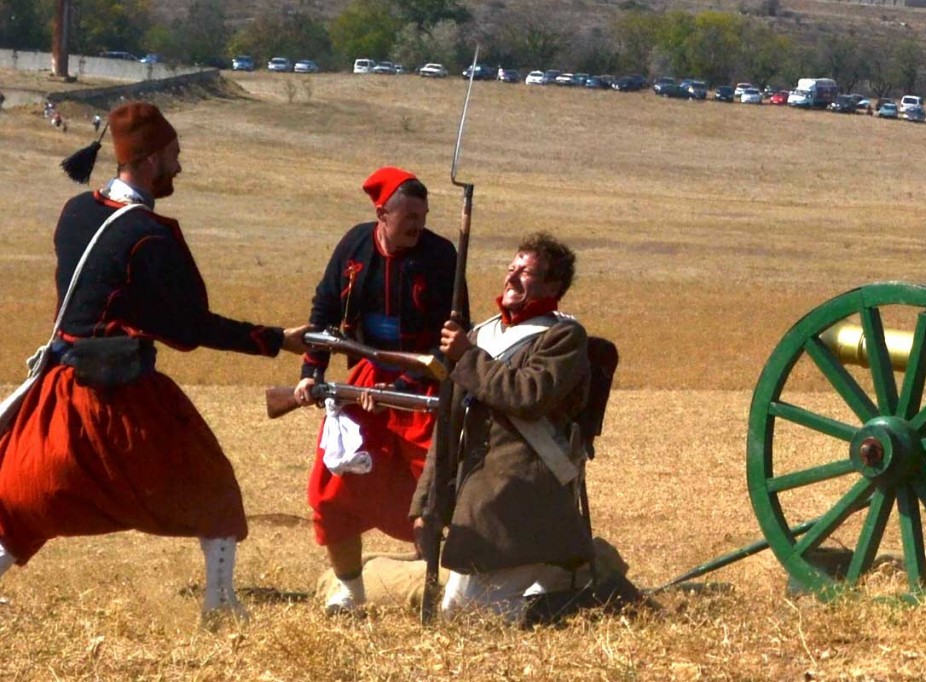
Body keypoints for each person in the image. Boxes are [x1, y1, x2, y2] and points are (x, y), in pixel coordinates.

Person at [0, 101, 309, 625]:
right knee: (212, 487)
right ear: (147, 160)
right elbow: (190, 330)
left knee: (26, 500)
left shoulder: (74, 211)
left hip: (57, 387)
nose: (179, 167)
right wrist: (277, 340)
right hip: (120, 395)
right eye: (173, 155)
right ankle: (219, 604)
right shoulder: (152, 235)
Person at [293, 166, 464, 615]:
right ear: (381, 213)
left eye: (422, 217)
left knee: (432, 491)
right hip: (365, 380)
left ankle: (437, 589)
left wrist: (402, 384)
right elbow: (325, 310)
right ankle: (350, 590)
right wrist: (312, 369)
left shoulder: (442, 255)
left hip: (424, 385)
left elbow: (450, 336)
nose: (417, 226)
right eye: (408, 217)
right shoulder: (353, 246)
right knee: (333, 485)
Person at [410, 232, 593, 621]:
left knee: (473, 616)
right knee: (456, 611)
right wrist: (427, 503)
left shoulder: (564, 337)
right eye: (511, 268)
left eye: (525, 272)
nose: (511, 277)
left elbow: (529, 395)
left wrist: (467, 357)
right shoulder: (480, 335)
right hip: (477, 492)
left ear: (552, 285)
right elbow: (449, 422)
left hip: (525, 487)